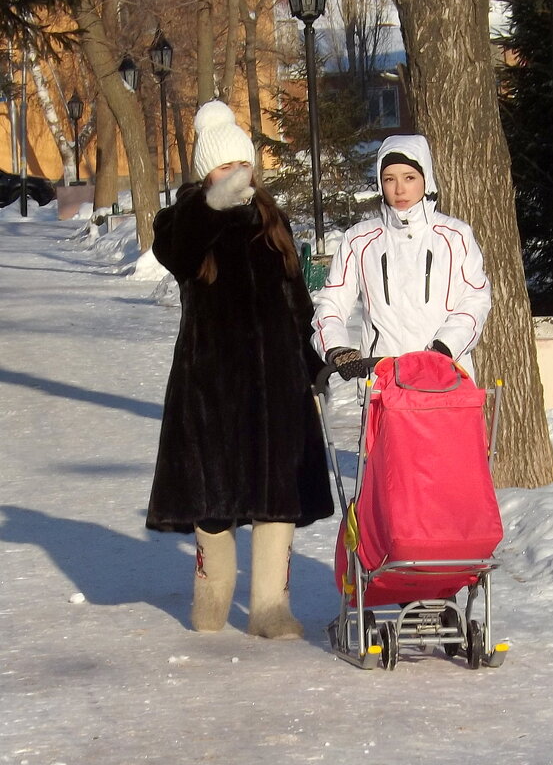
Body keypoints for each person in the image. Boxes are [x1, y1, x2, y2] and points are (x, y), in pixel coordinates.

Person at [146, 100, 333, 640]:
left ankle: (271, 608)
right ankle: (211, 598)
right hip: (211, 382)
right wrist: (212, 204)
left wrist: (311, 362)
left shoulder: (272, 219)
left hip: (276, 381)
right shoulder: (182, 219)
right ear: (206, 172)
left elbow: (295, 297)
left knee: (277, 494)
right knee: (214, 494)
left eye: (239, 166)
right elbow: (177, 253)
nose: (233, 176)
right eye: (221, 167)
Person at [311, 134, 491, 380]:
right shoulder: (360, 240)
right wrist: (335, 347)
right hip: (383, 381)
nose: (399, 189)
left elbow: (475, 299)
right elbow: (331, 302)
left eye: (409, 178)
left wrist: (445, 347)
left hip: (444, 379)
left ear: (425, 180)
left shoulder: (454, 236)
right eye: (389, 179)